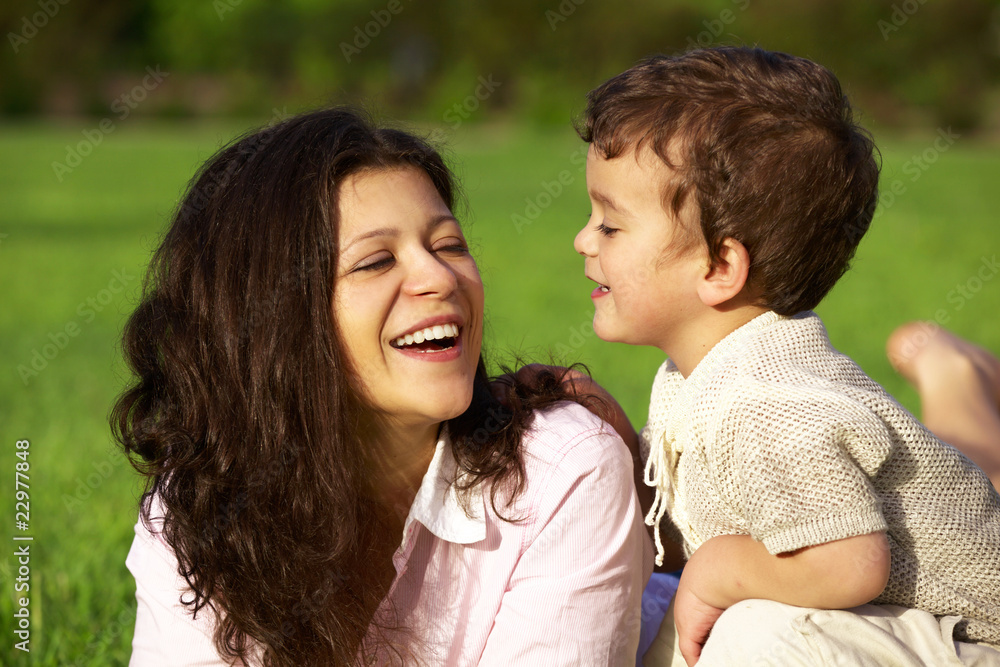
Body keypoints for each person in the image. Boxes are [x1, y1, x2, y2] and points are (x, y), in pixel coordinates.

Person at [111, 107, 652, 666]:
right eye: (375, 262)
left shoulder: (562, 468)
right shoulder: (200, 506)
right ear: (270, 321)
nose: (440, 278)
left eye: (448, 246)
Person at [568, 47, 1000, 666]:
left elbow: (849, 564)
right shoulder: (697, 375)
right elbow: (687, 516)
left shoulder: (772, 407)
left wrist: (718, 568)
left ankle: (952, 372)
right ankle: (955, 376)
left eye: (610, 225)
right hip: (905, 619)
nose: (583, 239)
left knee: (759, 634)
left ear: (719, 266)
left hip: (971, 638)